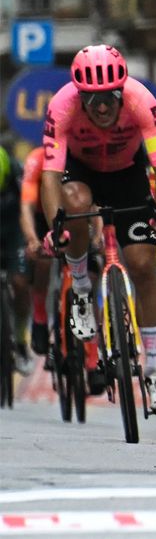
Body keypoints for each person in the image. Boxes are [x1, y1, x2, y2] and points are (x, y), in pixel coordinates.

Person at [40, 44, 156, 414]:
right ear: (79, 95)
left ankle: (152, 369)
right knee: (76, 205)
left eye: (109, 98)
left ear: (122, 91)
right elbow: (50, 175)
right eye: (92, 99)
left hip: (127, 174)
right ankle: (82, 289)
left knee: (145, 266)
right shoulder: (61, 105)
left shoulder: (142, 100)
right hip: (81, 174)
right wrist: (58, 226)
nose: (101, 107)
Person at [0, 144, 34, 375]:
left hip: (13, 230)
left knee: (20, 283)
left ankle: (21, 338)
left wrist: (31, 238)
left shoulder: (14, 170)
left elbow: (25, 207)